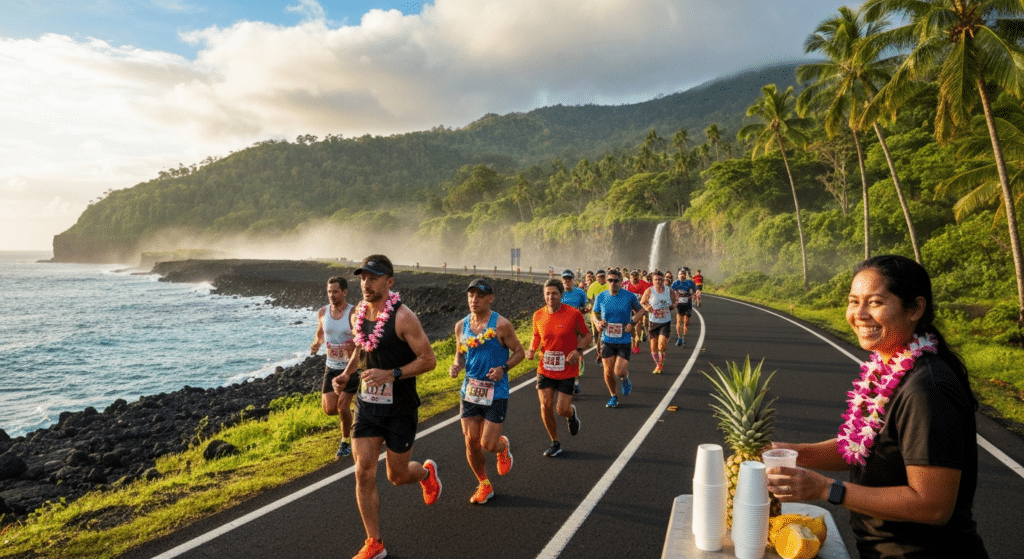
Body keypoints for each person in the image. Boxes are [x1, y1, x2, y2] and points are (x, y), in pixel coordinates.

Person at [767, 255, 988, 559]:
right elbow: (862, 447)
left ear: (915, 309)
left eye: (874, 302)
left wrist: (826, 489)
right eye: (853, 301)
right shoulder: (886, 369)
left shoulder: (926, 390)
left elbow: (933, 505)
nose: (859, 314)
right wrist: (790, 451)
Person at [332, 255, 441, 559]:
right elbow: (362, 349)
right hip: (368, 405)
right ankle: (374, 542)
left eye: (373, 278)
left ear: (389, 282)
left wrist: (391, 374)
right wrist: (347, 372)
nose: (366, 284)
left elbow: (429, 361)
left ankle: (426, 474)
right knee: (363, 471)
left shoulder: (404, 317)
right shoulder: (358, 315)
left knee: (397, 475)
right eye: (362, 278)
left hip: (400, 407)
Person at [448, 278, 525, 504]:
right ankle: (484, 484)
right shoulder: (461, 326)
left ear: (490, 298)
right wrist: (456, 365)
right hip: (470, 390)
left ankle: (502, 447)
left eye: (480, 295)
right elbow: (460, 353)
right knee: (471, 441)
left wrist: (503, 368)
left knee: (487, 445)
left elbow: (519, 352)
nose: (474, 300)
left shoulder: (501, 325)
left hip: (496, 391)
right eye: (471, 295)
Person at [528, 279, 592, 456]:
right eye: (547, 293)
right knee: (545, 405)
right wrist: (532, 349)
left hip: (566, 368)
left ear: (561, 295)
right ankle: (555, 442)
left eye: (554, 293)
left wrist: (577, 351)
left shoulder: (573, 314)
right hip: (545, 368)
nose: (550, 297)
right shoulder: (538, 315)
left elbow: (587, 336)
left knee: (561, 409)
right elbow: (536, 336)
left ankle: (571, 415)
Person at [310, 276, 358, 458]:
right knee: (329, 409)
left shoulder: (352, 313)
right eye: (329, 291)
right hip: (331, 366)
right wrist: (316, 344)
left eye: (336, 291)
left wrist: (353, 345)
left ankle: (345, 442)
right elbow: (320, 334)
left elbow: (360, 340)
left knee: (341, 406)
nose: (332, 295)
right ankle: (357, 413)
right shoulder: (323, 312)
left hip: (350, 367)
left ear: (344, 292)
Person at [591, 268, 644, 408]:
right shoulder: (601, 297)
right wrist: (597, 322)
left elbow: (641, 310)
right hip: (607, 339)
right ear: (607, 281)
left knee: (618, 371)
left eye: (616, 280)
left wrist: (632, 323)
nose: (613, 283)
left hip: (624, 340)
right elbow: (594, 313)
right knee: (607, 371)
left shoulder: (629, 296)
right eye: (610, 280)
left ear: (621, 281)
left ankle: (625, 378)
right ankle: (613, 396)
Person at [639, 270, 677, 374]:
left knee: (662, 345)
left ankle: (660, 365)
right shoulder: (649, 291)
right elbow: (642, 302)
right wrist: (647, 307)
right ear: (653, 280)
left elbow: (675, 301)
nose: (659, 281)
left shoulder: (669, 291)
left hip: (665, 322)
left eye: (661, 279)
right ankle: (658, 364)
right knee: (653, 347)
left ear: (664, 279)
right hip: (653, 322)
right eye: (656, 279)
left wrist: (673, 306)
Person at [559, 269, 590, 394]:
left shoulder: (580, 292)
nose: (567, 281)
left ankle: (575, 382)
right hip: (560, 328)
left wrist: (585, 309)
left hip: (575, 328)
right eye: (565, 279)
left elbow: (587, 305)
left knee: (572, 354)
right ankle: (563, 380)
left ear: (573, 280)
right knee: (561, 355)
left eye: (569, 279)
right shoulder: (558, 293)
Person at [586, 270, 610, 364]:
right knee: (596, 335)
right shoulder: (593, 286)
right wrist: (590, 305)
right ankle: (599, 353)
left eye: (602, 276)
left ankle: (602, 354)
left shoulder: (609, 285)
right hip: (595, 313)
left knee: (602, 333)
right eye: (598, 276)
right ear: (596, 278)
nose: (600, 278)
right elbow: (588, 299)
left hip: (606, 313)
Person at [625, 270, 652, 353]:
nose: (634, 279)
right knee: (632, 327)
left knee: (640, 324)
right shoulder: (626, 285)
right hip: (630, 308)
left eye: (636, 278)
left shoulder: (643, 284)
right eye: (632, 278)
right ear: (630, 278)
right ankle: (635, 343)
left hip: (642, 308)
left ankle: (637, 344)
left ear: (639, 277)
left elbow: (652, 288)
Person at [670, 269, 696, 347]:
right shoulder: (675, 283)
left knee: (686, 323)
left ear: (685, 275)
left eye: (683, 274)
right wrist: (674, 300)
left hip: (688, 304)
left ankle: (683, 337)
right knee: (679, 322)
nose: (682, 275)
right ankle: (679, 337)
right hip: (679, 305)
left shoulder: (690, 283)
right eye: (680, 274)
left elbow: (693, 292)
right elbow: (671, 293)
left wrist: (690, 294)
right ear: (678, 275)